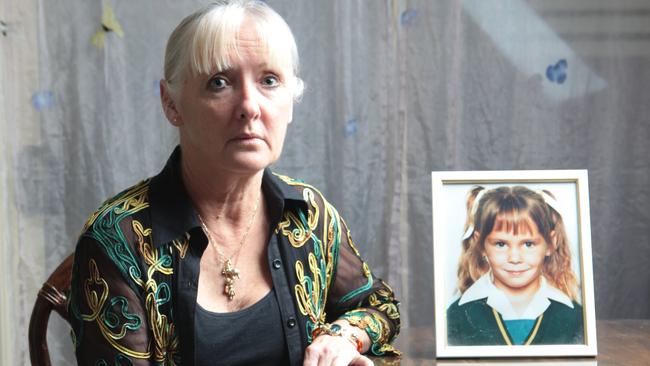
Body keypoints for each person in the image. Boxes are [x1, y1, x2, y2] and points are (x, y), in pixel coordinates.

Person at [67, 1, 400, 365]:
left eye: (269, 80)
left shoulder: (309, 215)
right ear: (171, 103)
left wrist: (342, 338)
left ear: (290, 102)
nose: (249, 106)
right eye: (219, 82)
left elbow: (378, 305)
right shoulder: (118, 240)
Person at [446, 186, 583, 346]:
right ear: (480, 244)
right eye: (501, 244)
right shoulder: (457, 317)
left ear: (551, 243)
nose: (515, 258)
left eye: (528, 244)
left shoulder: (574, 316)